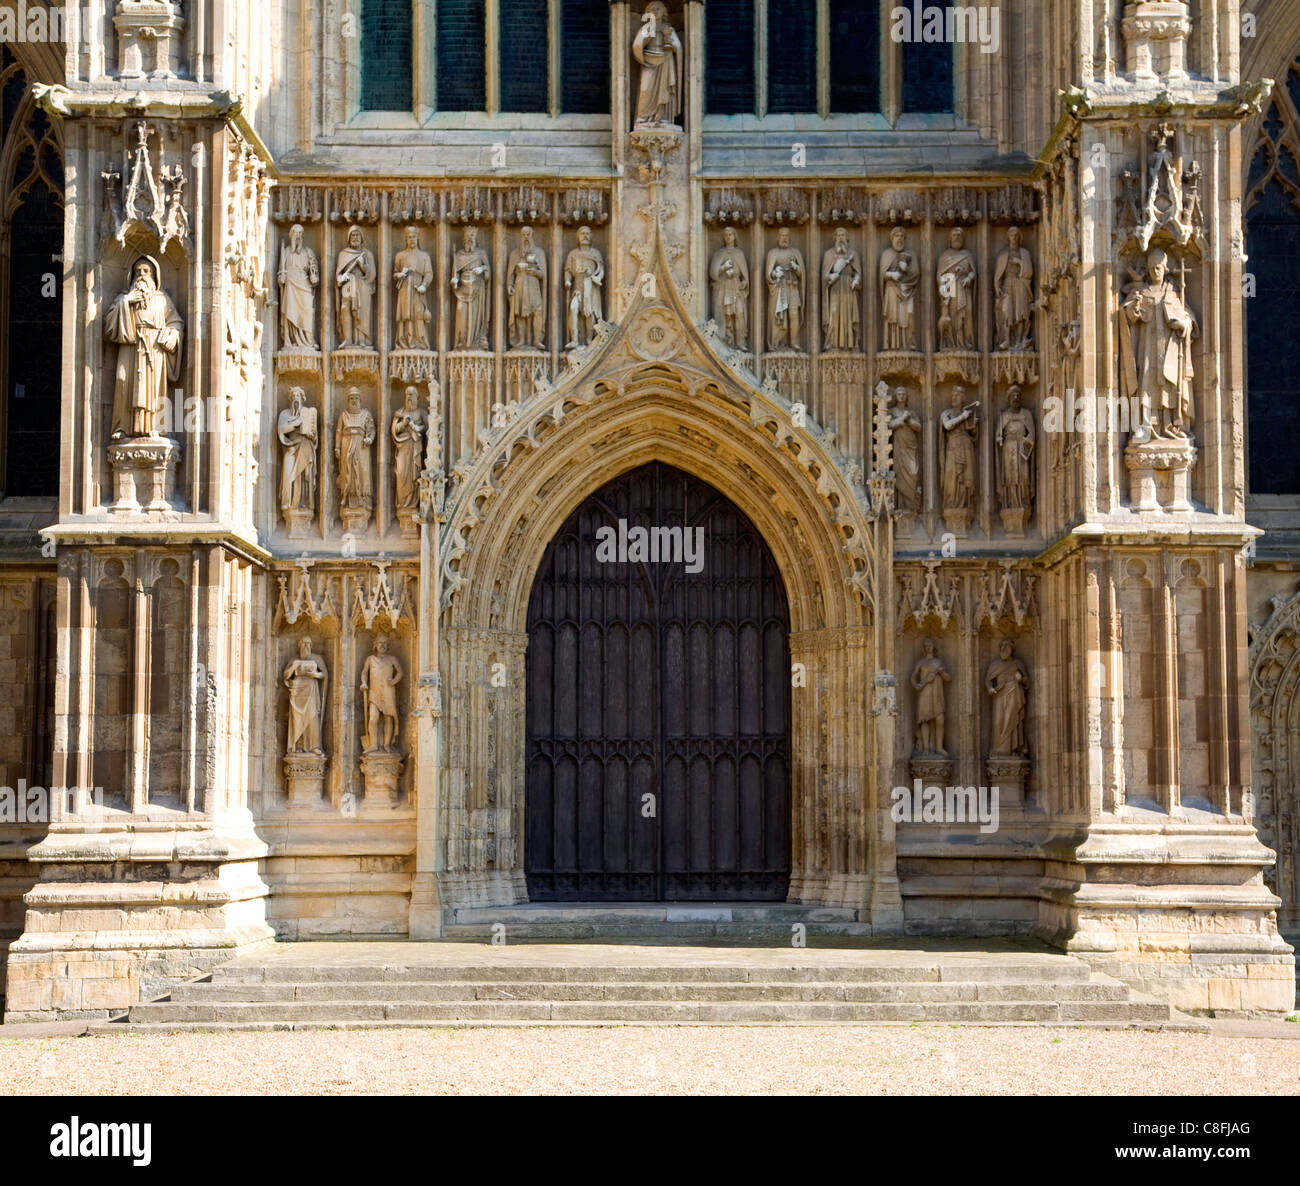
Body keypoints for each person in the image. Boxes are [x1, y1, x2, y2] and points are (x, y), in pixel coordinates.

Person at [104, 256, 183, 440]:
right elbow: (108, 326)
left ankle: (155, 427)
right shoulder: (124, 298)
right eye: (138, 272)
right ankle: (122, 427)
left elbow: (176, 323)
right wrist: (126, 302)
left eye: (146, 271)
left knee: (152, 388)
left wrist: (172, 335)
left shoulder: (163, 299)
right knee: (123, 381)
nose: (141, 275)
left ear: (154, 276)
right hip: (130, 346)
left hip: (154, 349)